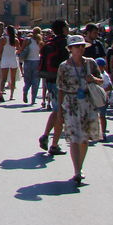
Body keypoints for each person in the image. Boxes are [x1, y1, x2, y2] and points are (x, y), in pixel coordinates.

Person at [56, 35, 103, 185]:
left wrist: (93, 79)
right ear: (70, 49)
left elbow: (102, 80)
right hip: (71, 103)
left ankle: (80, 166)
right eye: (77, 46)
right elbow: (60, 89)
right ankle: (77, 170)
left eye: (82, 46)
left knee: (84, 138)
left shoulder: (91, 63)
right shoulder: (63, 66)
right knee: (75, 138)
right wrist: (59, 111)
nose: (80, 49)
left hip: (88, 103)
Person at [38, 19, 69, 156]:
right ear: (63, 29)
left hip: (50, 79)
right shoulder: (64, 43)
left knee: (56, 111)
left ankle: (45, 136)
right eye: (66, 26)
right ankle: (54, 145)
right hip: (60, 82)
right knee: (60, 114)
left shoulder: (52, 41)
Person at [21, 27, 42, 104]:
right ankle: (33, 100)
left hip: (27, 62)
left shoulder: (27, 40)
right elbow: (42, 53)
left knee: (27, 81)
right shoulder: (40, 42)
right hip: (37, 62)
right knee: (35, 81)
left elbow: (22, 50)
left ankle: (25, 91)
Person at [0, 25, 19, 102]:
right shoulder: (15, 39)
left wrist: (0, 58)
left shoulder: (3, 39)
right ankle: (11, 95)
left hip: (5, 58)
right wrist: (15, 52)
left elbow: (0, 51)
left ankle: (0, 93)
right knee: (13, 79)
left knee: (3, 78)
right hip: (13, 58)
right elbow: (19, 49)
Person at [95, 57, 112, 141]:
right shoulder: (95, 74)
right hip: (95, 98)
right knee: (95, 115)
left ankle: (103, 132)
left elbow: (110, 86)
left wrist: (101, 91)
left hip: (102, 98)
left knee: (102, 115)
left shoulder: (105, 75)